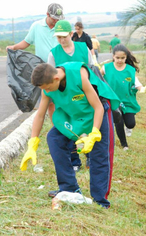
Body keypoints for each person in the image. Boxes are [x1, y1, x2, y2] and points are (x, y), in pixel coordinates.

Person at [20, 62, 121, 208]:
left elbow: (98, 107)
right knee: (54, 138)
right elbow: (40, 115)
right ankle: (69, 188)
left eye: (47, 88)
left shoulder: (79, 75)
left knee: (99, 154)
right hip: (73, 114)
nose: (47, 92)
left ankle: (100, 200)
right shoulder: (47, 88)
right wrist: (32, 144)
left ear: (56, 79)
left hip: (96, 112)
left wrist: (93, 135)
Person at [48, 20, 94, 172]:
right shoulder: (54, 54)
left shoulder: (83, 48)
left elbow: (91, 69)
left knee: (87, 124)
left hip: (84, 94)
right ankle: (74, 161)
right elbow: (51, 77)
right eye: (58, 37)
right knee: (70, 127)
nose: (61, 40)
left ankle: (89, 155)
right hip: (66, 98)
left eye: (64, 36)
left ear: (71, 34)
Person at [6, 3, 64, 116]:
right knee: (49, 103)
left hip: (60, 69)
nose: (57, 21)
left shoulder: (61, 26)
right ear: (47, 14)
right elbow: (27, 42)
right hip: (44, 71)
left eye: (59, 18)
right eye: (54, 18)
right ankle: (56, 128)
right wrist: (14, 47)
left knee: (61, 101)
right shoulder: (37, 26)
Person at [101, 44, 146, 150]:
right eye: (117, 58)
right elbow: (97, 76)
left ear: (126, 57)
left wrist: (143, 88)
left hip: (127, 100)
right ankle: (124, 144)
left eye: (122, 58)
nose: (120, 60)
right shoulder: (106, 68)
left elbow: (136, 82)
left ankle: (128, 128)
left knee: (130, 124)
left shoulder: (130, 70)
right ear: (113, 56)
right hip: (114, 101)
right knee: (118, 122)